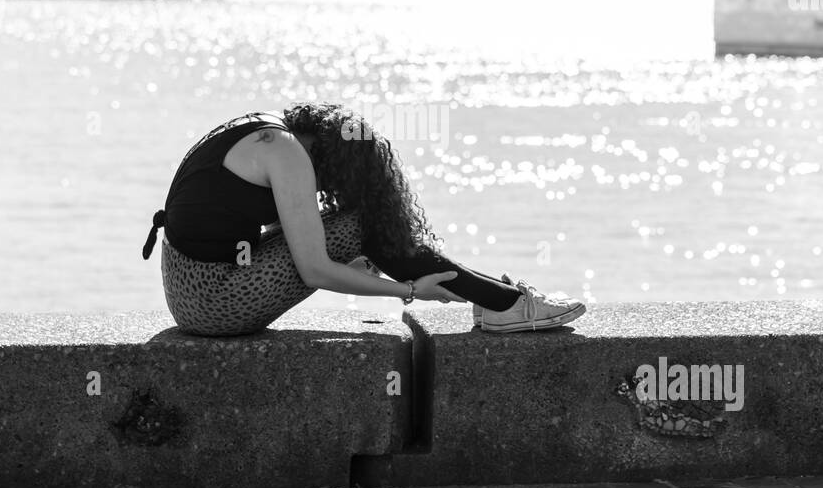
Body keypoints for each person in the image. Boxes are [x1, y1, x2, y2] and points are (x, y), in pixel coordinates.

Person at [142, 102, 586, 336]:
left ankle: (498, 298)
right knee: (363, 226)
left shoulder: (266, 133)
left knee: (358, 229)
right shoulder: (287, 156)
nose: (327, 189)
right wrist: (408, 290)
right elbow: (313, 268)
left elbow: (235, 217)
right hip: (214, 303)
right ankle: (504, 305)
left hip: (188, 288)